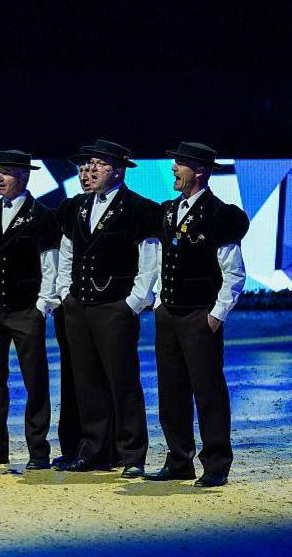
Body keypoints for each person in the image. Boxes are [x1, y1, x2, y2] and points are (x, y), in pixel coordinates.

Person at [145, 142, 248, 488]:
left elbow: (233, 273)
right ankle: (179, 460)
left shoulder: (220, 215)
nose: (174, 169)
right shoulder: (169, 210)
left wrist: (216, 316)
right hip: (169, 314)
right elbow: (162, 260)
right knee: (170, 390)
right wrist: (159, 301)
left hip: (199, 317)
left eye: (180, 164)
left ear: (199, 170)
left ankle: (216, 464)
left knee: (208, 392)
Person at [59, 139, 161, 478]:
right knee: (87, 382)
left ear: (117, 170)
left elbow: (149, 259)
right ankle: (94, 451)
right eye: (89, 163)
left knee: (123, 381)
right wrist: (65, 294)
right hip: (80, 304)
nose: (91, 169)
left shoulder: (138, 208)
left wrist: (133, 303)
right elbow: (69, 252)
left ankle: (132, 454)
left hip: (114, 307)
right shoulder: (81, 206)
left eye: (99, 164)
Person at [0, 150, 60, 470]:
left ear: (24, 176)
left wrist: (41, 308)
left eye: (5, 172)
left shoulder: (43, 215)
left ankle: (38, 450)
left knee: (35, 382)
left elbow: (51, 265)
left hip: (24, 311)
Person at [50, 148, 94, 470]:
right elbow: (61, 257)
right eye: (80, 170)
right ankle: (73, 445)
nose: (84, 175)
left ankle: (108, 447)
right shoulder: (68, 208)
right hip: (71, 305)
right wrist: (64, 295)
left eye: (91, 169)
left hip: (106, 305)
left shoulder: (131, 207)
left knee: (105, 378)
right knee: (72, 376)